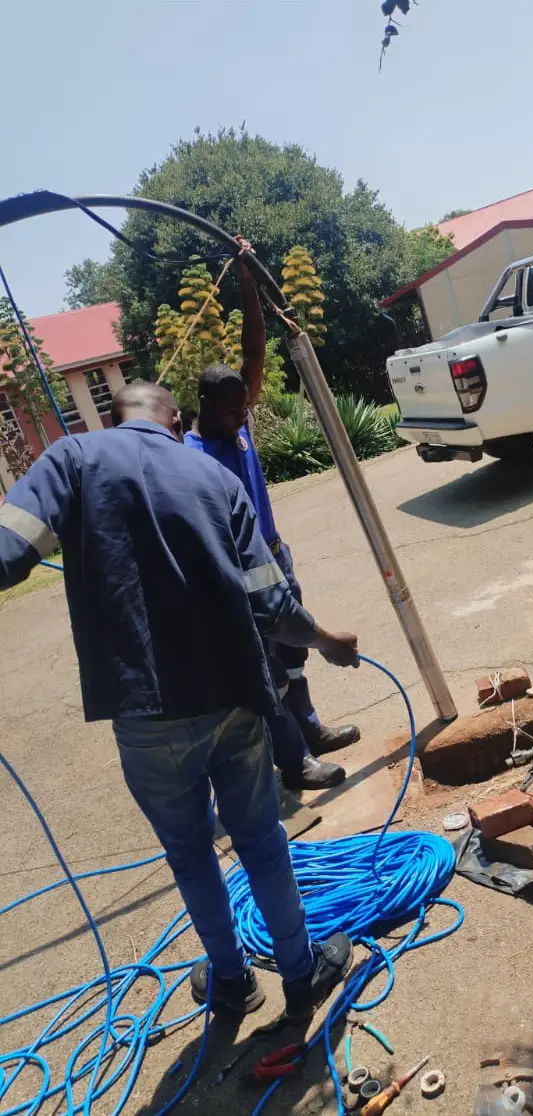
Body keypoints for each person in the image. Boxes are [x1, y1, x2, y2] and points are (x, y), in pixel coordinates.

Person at [0, 382, 358, 1018]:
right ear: (174, 420)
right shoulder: (214, 477)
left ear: (115, 417)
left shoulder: (72, 459)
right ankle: (301, 978)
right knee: (261, 843)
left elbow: (8, 550)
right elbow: (273, 607)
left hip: (146, 713)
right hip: (235, 700)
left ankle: (232, 982)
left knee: (190, 854)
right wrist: (328, 640)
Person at [183, 241, 359, 792]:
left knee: (295, 655)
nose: (244, 416)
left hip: (275, 554)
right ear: (206, 405)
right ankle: (293, 762)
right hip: (242, 576)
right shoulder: (188, 456)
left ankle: (310, 731)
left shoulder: (234, 425)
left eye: (244, 406)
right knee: (270, 669)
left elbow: (254, 353)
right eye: (235, 409)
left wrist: (246, 279)